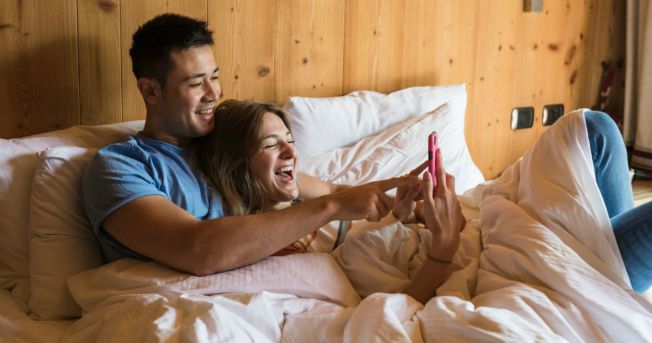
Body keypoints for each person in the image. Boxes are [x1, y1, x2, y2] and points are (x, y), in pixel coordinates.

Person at [81, 14, 425, 280]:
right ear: (151, 91)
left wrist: (412, 209)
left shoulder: (225, 144)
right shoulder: (121, 166)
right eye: (196, 83)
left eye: (214, 77)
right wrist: (332, 207)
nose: (214, 93)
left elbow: (328, 190)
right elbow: (197, 249)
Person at [191, 99, 464, 303]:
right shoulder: (271, 246)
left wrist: (409, 211)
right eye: (271, 144)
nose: (291, 152)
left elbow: (335, 190)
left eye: (290, 140)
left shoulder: (295, 188)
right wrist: (443, 251)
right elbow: (394, 306)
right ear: (237, 165)